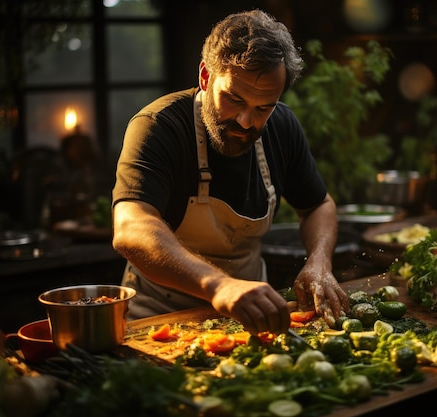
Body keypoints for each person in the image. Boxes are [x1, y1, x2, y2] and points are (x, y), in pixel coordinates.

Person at [111, 9, 350, 336]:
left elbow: (319, 205)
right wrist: (217, 285)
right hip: (160, 321)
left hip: (251, 321)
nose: (246, 122)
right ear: (206, 77)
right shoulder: (158, 127)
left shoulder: (282, 126)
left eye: (263, 107)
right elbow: (131, 228)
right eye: (234, 100)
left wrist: (320, 262)